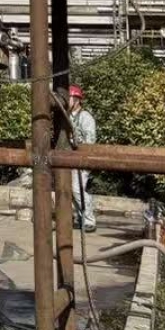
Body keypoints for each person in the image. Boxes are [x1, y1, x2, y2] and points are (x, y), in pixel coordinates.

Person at [68, 84, 98, 231]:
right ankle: (80, 217)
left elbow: (90, 141)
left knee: (76, 189)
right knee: (70, 189)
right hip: (70, 159)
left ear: (77, 100)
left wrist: (76, 144)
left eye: (69, 98)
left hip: (83, 158)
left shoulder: (85, 117)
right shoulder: (67, 117)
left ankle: (89, 220)